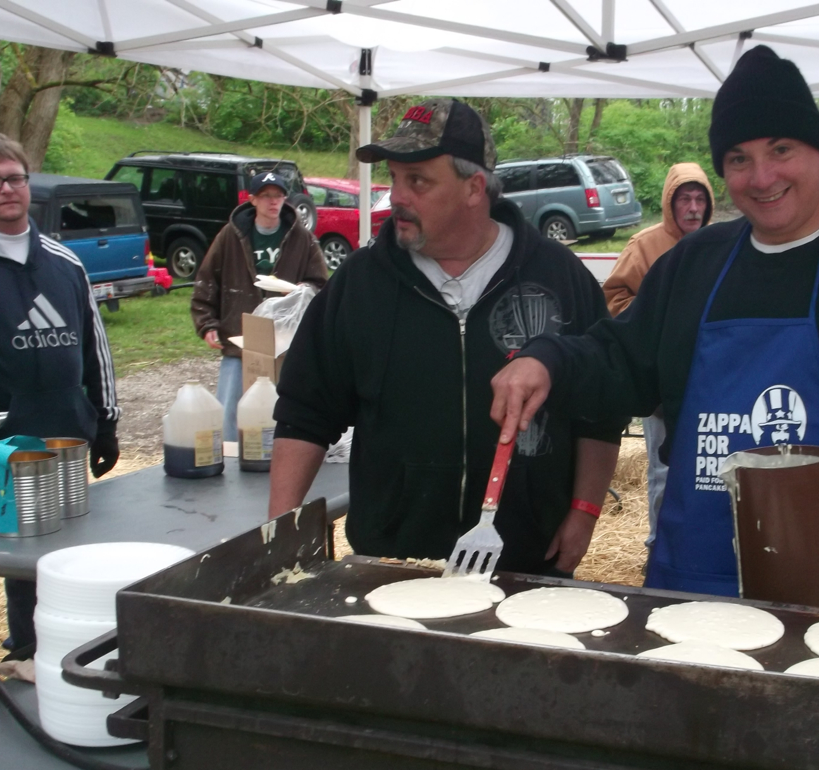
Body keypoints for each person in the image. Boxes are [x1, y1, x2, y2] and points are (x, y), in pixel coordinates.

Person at [490, 47, 819, 609]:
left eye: (781, 150)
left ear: (818, 153)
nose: (762, 176)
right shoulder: (692, 265)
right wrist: (548, 359)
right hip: (690, 575)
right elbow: (622, 363)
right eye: (739, 158)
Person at [267, 99, 624, 574]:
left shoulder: (560, 278)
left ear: (475, 187)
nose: (396, 196)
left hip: (525, 561)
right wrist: (279, 533)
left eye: (418, 181)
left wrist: (584, 512)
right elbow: (304, 414)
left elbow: (599, 411)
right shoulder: (361, 284)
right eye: (394, 177)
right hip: (391, 562)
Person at [0, 129, 120, 651]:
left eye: (15, 178)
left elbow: (94, 349)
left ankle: (32, 656)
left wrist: (104, 424)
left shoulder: (63, 262)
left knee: (47, 567)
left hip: (56, 446)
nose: (6, 189)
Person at [602, 163, 714, 550]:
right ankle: (658, 546)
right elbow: (614, 299)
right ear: (670, 203)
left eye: (700, 199)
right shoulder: (645, 245)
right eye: (685, 199)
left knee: (709, 467)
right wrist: (660, 327)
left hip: (708, 378)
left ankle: (698, 544)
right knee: (664, 467)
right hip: (661, 379)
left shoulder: (719, 245)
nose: (693, 208)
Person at [190, 171, 327, 443]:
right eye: (266, 196)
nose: (273, 202)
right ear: (252, 200)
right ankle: (229, 464)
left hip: (286, 343)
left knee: (284, 408)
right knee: (230, 409)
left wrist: (299, 292)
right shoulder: (231, 235)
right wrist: (207, 324)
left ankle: (277, 457)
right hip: (240, 338)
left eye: (278, 196)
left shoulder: (302, 237)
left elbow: (320, 283)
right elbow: (207, 280)